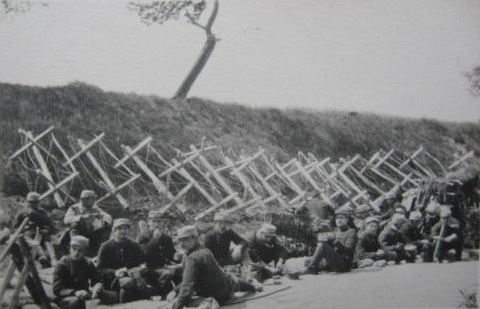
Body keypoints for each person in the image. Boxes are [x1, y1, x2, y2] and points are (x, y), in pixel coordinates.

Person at [169, 225, 262, 309]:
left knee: (183, 300)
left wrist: (176, 305)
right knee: (232, 280)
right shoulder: (205, 251)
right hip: (226, 288)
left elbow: (187, 288)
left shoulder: (193, 258)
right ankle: (253, 286)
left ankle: (208, 303)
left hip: (214, 297)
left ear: (195, 238)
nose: (181, 244)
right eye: (179, 241)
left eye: (185, 239)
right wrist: (175, 290)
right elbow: (223, 275)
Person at [53, 236, 117, 309]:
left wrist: (97, 286)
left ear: (85, 251)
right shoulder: (62, 265)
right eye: (74, 249)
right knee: (76, 302)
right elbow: (57, 289)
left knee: (113, 296)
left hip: (85, 294)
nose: (76, 253)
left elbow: (96, 279)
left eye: (80, 250)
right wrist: (75, 292)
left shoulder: (88, 263)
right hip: (66, 297)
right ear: (70, 249)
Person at [97, 218, 152, 303]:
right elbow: (100, 269)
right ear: (114, 231)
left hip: (133, 277)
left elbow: (143, 262)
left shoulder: (134, 245)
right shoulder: (105, 247)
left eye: (125, 228)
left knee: (142, 284)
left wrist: (141, 268)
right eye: (120, 229)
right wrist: (115, 272)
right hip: (113, 280)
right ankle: (122, 303)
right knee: (128, 282)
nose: (123, 231)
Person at [137, 210, 178, 298]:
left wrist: (178, 256)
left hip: (164, 267)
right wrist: (155, 239)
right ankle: (165, 296)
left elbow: (172, 255)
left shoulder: (166, 238)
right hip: (149, 270)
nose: (156, 224)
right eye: (154, 221)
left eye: (159, 221)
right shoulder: (143, 237)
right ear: (149, 222)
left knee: (180, 270)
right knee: (166, 274)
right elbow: (143, 254)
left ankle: (180, 293)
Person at [304, 207, 357, 273]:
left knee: (322, 246)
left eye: (341, 218)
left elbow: (348, 251)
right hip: (336, 260)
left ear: (347, 219)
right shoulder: (336, 231)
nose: (339, 220)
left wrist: (335, 241)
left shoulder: (351, 232)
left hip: (344, 264)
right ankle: (314, 268)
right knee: (307, 261)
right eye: (337, 218)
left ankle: (311, 269)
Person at [63, 190, 112, 256]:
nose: (94, 200)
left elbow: (107, 216)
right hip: (78, 234)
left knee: (108, 226)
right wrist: (81, 217)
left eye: (94, 198)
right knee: (75, 224)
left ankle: (103, 250)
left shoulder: (95, 208)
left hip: (91, 233)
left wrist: (104, 222)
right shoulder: (74, 208)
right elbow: (66, 220)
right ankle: (75, 248)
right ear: (84, 200)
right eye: (92, 199)